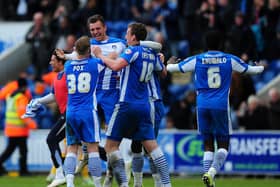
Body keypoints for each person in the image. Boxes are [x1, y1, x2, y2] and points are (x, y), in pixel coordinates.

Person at [166, 30, 264, 187]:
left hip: (202, 105)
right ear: (221, 44)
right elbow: (251, 70)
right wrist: (260, 67)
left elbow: (172, 69)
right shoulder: (229, 59)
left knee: (208, 144)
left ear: (205, 44)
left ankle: (208, 181)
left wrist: (170, 63)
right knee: (224, 145)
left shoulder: (197, 59)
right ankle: (211, 173)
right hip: (220, 106)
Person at [92, 22, 172, 187]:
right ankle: (166, 183)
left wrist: (100, 55)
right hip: (145, 106)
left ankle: (123, 183)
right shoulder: (150, 53)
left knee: (110, 146)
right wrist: (161, 59)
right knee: (152, 147)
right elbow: (163, 73)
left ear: (134, 37)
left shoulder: (132, 50)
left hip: (127, 104)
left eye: (127, 34)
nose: (125, 36)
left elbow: (115, 66)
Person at [63, 36, 105, 187]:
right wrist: (98, 53)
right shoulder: (95, 63)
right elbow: (108, 60)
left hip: (71, 111)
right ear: (89, 50)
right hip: (87, 111)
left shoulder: (67, 65)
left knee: (71, 148)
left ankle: (69, 184)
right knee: (93, 148)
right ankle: (98, 184)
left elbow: (74, 58)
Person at [24, 49, 68, 187]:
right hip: (67, 114)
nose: (50, 62)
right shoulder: (57, 77)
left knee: (51, 139)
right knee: (88, 147)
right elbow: (54, 96)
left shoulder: (69, 75)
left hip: (71, 114)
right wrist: (38, 101)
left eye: (53, 60)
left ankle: (60, 174)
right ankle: (115, 162)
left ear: (61, 61)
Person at [130, 53, 167, 187]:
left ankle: (159, 183)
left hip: (152, 102)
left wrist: (163, 63)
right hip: (138, 104)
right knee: (136, 145)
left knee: (150, 146)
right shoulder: (134, 56)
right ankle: (138, 183)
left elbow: (164, 73)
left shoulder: (150, 56)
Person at [0, 78, 37, 176]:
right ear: (25, 86)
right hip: (19, 130)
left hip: (10, 129)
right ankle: (23, 171)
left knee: (10, 150)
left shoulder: (10, 96)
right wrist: (32, 125)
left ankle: (21, 170)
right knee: (23, 151)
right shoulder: (21, 98)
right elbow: (21, 113)